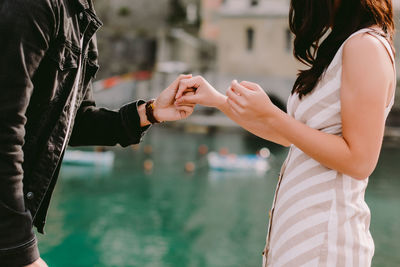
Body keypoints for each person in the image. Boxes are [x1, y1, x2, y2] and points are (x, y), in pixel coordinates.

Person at [175, 0, 396, 266]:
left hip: (326, 243)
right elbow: (292, 137)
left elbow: (360, 161)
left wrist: (271, 113)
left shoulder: (365, 47)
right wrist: (218, 100)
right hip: (306, 244)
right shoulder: (344, 45)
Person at [0, 0, 195, 266]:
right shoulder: (34, 5)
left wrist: (151, 112)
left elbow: (75, 120)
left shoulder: (80, 15)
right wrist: (19, 251)